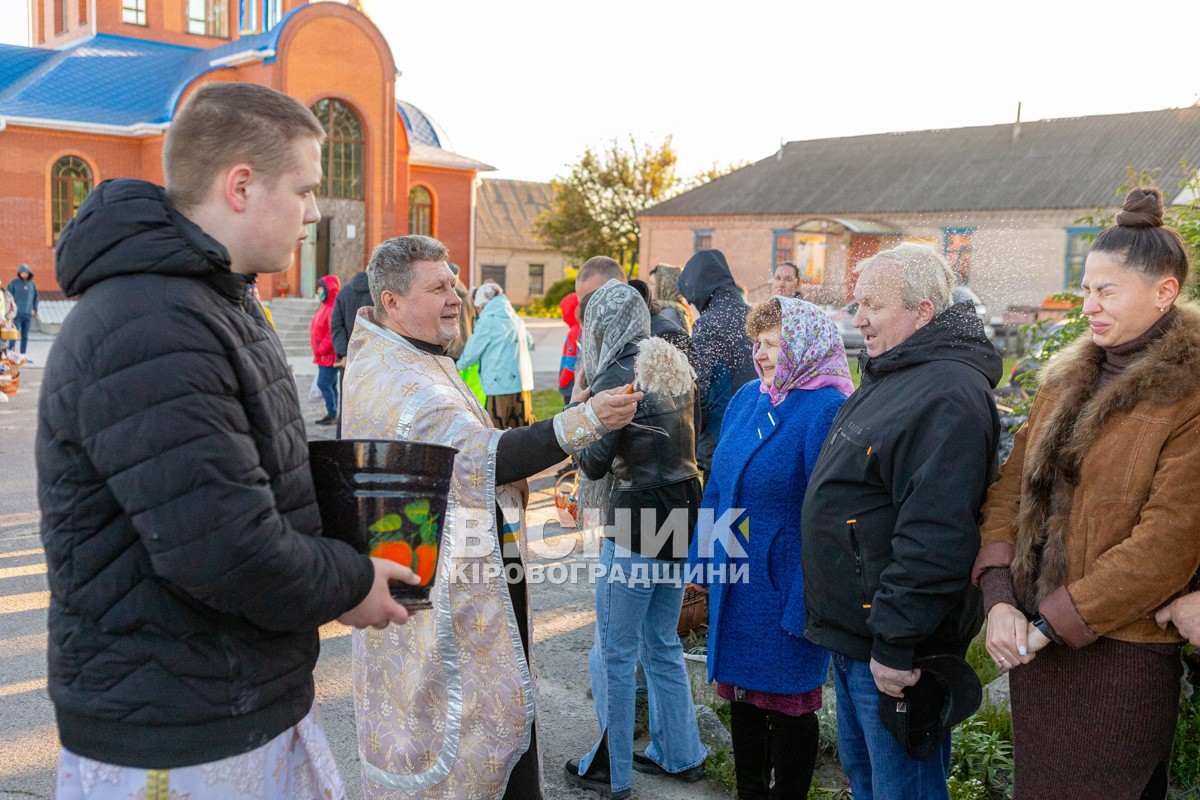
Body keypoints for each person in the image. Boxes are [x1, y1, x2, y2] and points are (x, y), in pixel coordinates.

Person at [38, 82, 416, 800]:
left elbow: (253, 473)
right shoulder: (151, 321)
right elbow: (222, 547)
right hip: (179, 736)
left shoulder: (212, 300)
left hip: (227, 701)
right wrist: (352, 581)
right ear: (240, 186)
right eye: (303, 189)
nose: (314, 211)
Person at [341, 235, 642, 800]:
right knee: (468, 750)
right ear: (392, 301)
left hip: (464, 576)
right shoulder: (398, 379)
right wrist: (585, 419)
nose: (455, 298)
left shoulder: (407, 351)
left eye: (454, 284)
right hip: (438, 607)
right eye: (438, 288)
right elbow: (480, 456)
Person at [974, 188, 1200, 800]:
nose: (1090, 306)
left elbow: (1167, 544)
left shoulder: (1190, 394)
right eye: (1085, 290)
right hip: (1037, 651)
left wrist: (1052, 621)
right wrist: (998, 599)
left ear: (1164, 292)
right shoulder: (1065, 380)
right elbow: (1008, 493)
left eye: (1107, 291)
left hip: (1123, 657)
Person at [801, 243, 1001, 800]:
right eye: (855, 303)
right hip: (859, 640)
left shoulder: (947, 395)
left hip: (896, 655)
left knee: (901, 790)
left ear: (923, 313)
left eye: (872, 304)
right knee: (867, 784)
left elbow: (937, 536)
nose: (856, 317)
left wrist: (895, 644)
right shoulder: (895, 371)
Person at [690, 296, 851, 800]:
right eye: (757, 343)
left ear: (803, 346)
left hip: (785, 585)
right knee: (743, 699)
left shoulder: (824, 408)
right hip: (737, 580)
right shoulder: (747, 399)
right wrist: (702, 561)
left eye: (774, 344)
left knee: (788, 706)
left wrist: (805, 600)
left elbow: (824, 516)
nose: (760, 354)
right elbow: (717, 486)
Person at [565, 280, 708, 800]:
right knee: (662, 642)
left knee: (616, 652)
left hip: (635, 520)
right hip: (681, 513)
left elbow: (595, 460)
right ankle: (681, 752)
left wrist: (578, 410)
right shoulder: (668, 359)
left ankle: (612, 771)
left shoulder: (610, 376)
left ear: (602, 325)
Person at [676, 249, 756, 473]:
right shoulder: (753, 314)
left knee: (716, 506)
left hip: (721, 433)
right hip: (756, 429)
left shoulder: (708, 324)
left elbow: (698, 388)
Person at [457, 280, 536, 429]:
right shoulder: (516, 319)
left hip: (498, 385)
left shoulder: (488, 320)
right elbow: (530, 342)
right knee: (523, 430)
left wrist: (457, 368)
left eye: (478, 308)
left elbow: (471, 353)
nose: (478, 312)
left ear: (483, 304)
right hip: (522, 385)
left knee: (497, 430)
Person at [309, 274, 341, 425]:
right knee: (331, 384)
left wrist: (322, 349)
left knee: (323, 383)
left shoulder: (332, 308)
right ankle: (333, 412)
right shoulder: (324, 306)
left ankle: (332, 413)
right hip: (323, 355)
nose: (318, 291)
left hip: (328, 355)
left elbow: (331, 332)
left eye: (321, 288)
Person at [646, 263, 693, 335]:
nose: (649, 288)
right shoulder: (677, 309)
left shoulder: (669, 314)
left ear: (664, 287)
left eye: (652, 284)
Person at [6, 264, 37, 359]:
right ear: (19, 273)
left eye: (26, 272)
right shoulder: (13, 283)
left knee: (25, 335)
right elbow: (8, 298)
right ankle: (10, 354)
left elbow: (35, 298)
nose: (24, 274)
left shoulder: (32, 284)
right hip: (16, 314)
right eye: (22, 272)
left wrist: (34, 308)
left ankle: (23, 355)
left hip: (27, 314)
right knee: (14, 334)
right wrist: (9, 312)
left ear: (29, 273)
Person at [559, 290, 581, 405]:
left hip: (570, 383)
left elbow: (571, 362)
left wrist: (562, 382)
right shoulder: (580, 328)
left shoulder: (574, 332)